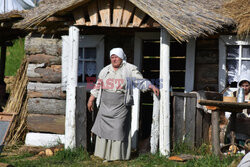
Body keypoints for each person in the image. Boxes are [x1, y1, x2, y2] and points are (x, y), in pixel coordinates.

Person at [87, 48, 159, 162]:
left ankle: (117, 156)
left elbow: (139, 81)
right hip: (105, 106)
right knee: (103, 130)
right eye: (112, 57)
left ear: (121, 57)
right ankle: (103, 154)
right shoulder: (105, 70)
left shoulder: (130, 69)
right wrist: (91, 99)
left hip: (120, 107)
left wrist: (150, 86)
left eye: (116, 57)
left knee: (118, 130)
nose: (114, 59)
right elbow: (97, 86)